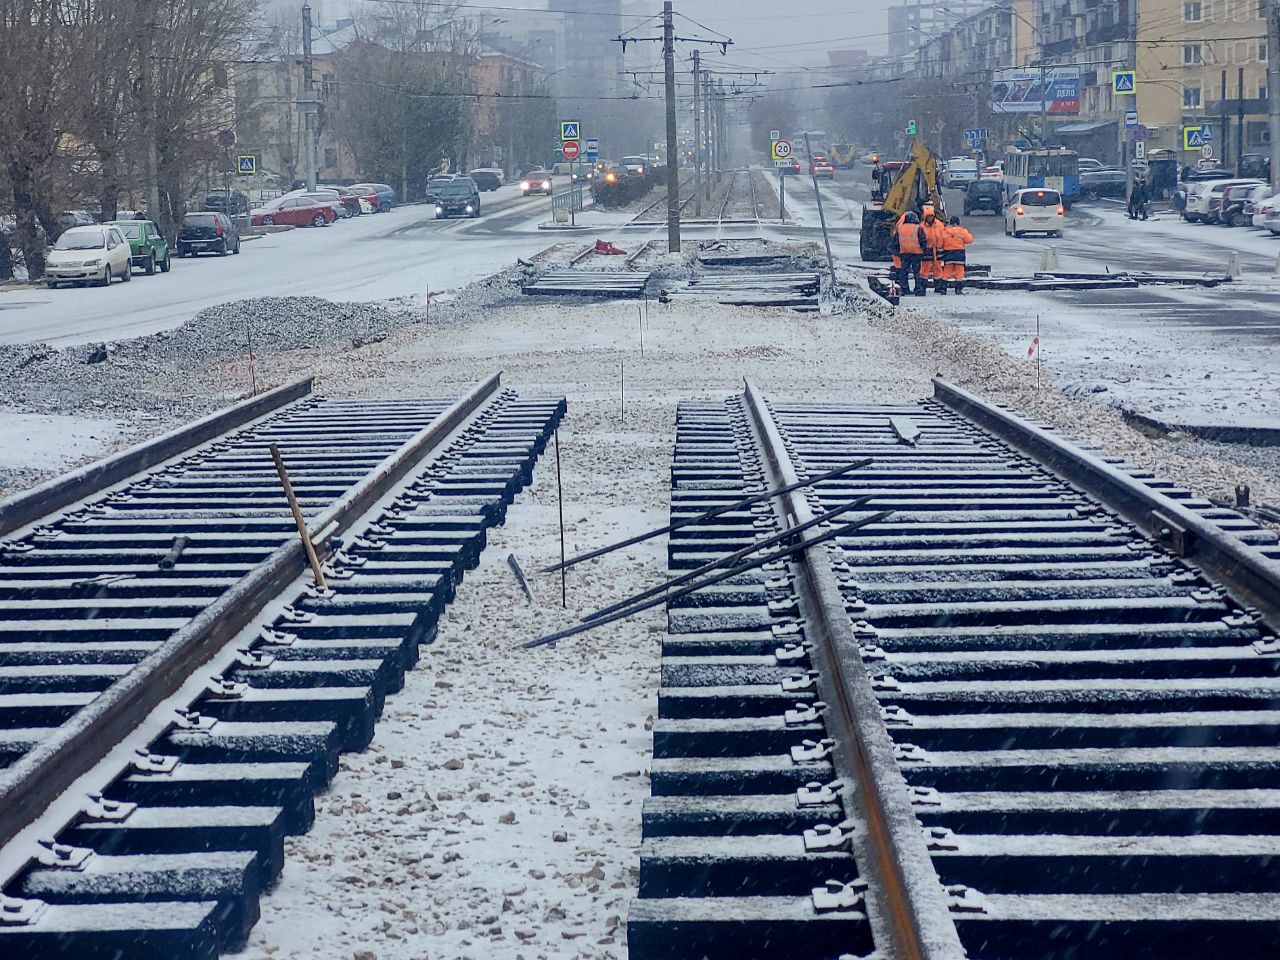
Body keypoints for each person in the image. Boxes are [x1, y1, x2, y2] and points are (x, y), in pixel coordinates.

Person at [894, 211, 927, 296]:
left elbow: (895, 242)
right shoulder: (918, 228)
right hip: (916, 253)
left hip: (904, 253)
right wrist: (923, 250)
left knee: (904, 272)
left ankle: (905, 289)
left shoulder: (900, 228)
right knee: (917, 272)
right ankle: (918, 288)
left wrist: (898, 252)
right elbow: (923, 240)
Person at [940, 215, 974, 295]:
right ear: (958, 223)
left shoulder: (944, 231)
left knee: (947, 271)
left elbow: (940, 244)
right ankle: (958, 289)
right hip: (959, 254)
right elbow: (969, 240)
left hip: (948, 253)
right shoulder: (962, 231)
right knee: (959, 272)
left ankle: (943, 288)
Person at [919, 204, 947, 291]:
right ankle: (923, 286)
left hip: (938, 250)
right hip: (926, 249)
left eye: (931, 216)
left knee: (937, 268)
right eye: (928, 216)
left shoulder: (939, 225)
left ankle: (938, 286)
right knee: (925, 269)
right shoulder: (921, 226)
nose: (930, 218)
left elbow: (944, 235)